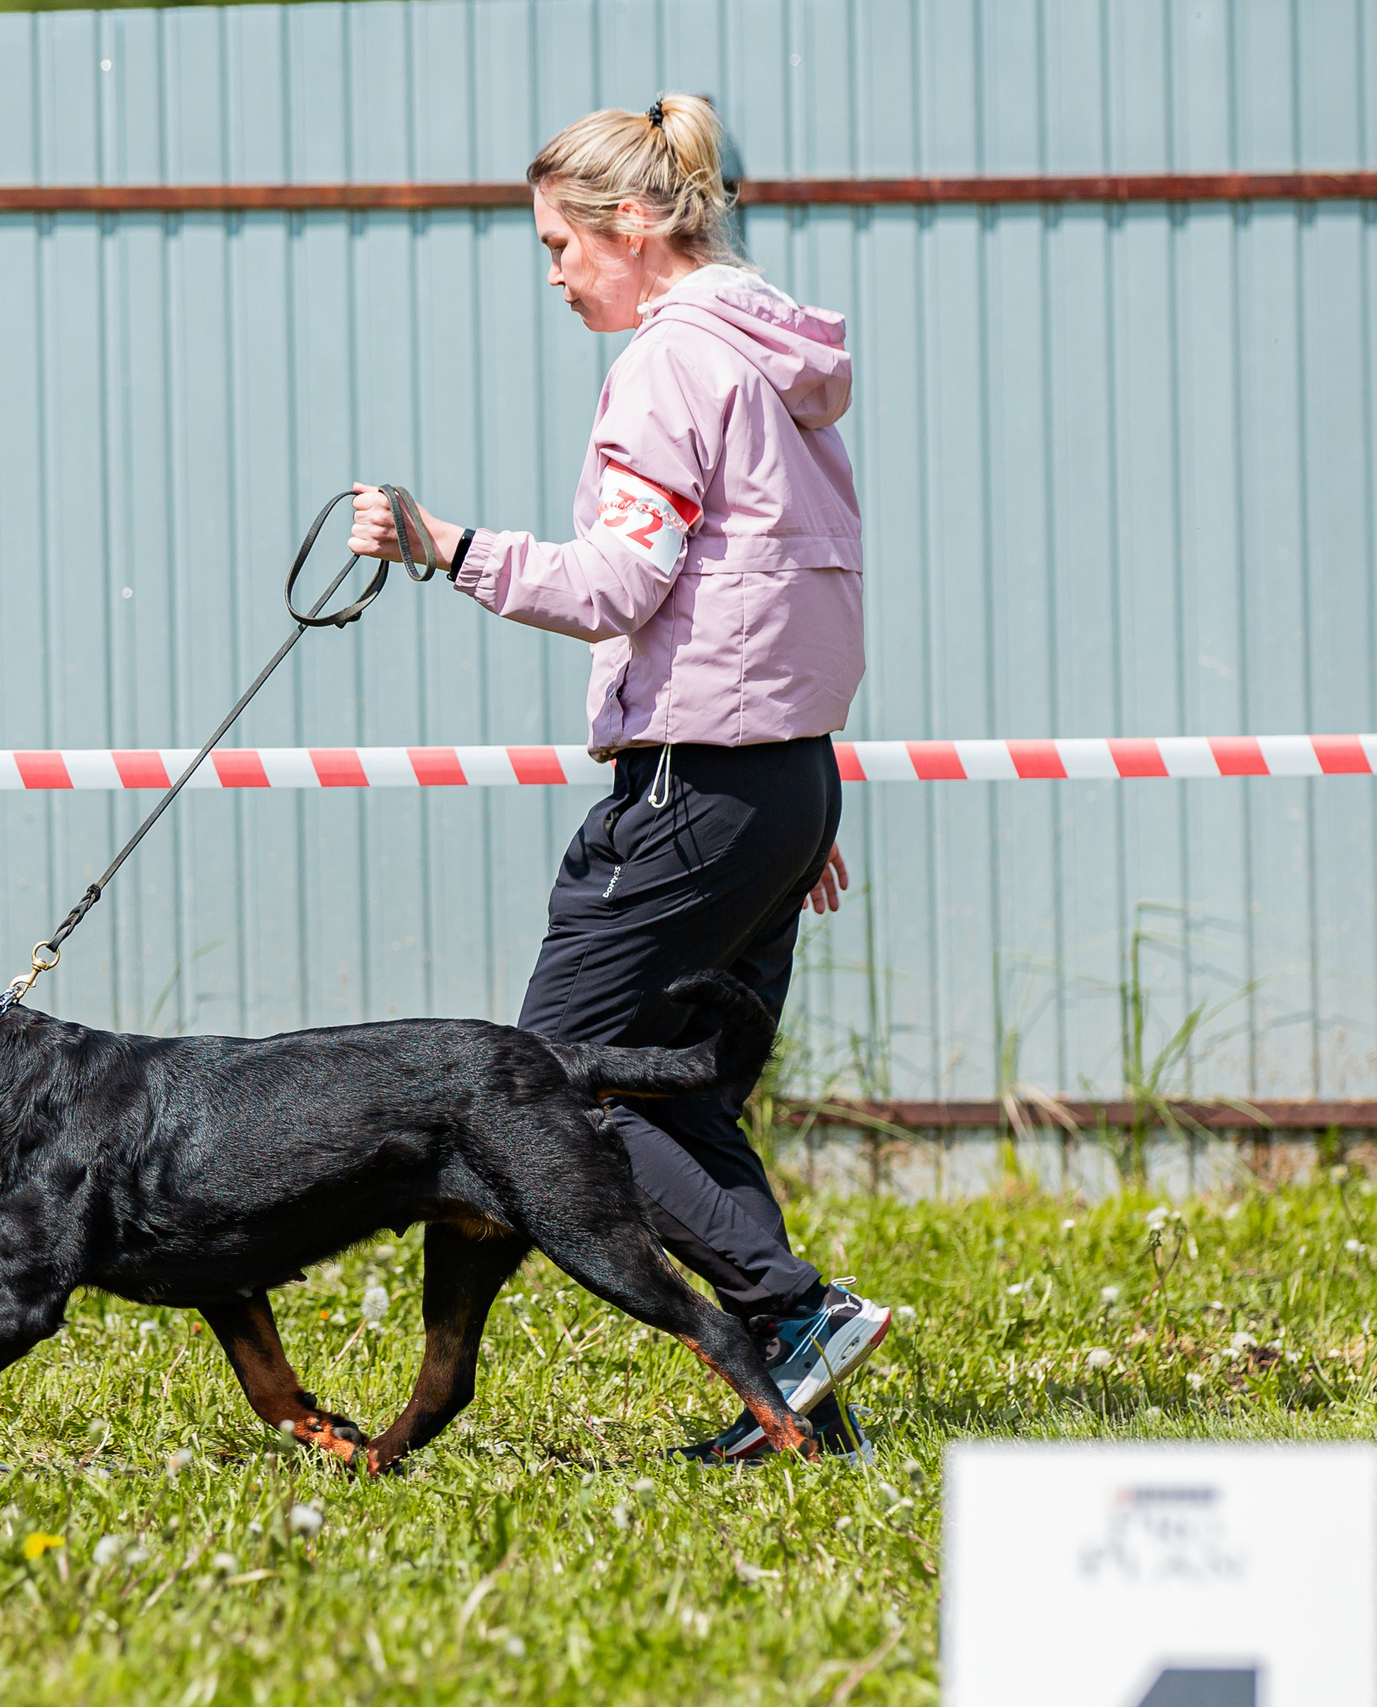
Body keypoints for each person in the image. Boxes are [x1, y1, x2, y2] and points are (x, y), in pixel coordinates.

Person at [345, 94, 889, 1461]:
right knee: (670, 1091)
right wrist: (780, 805)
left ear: (633, 224)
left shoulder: (667, 364)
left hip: (705, 784)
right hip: (775, 777)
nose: (554, 275)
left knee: (543, 1091)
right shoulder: (770, 352)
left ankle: (796, 1312)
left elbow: (620, 584)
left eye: (558, 245)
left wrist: (443, 544)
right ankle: (805, 1413)